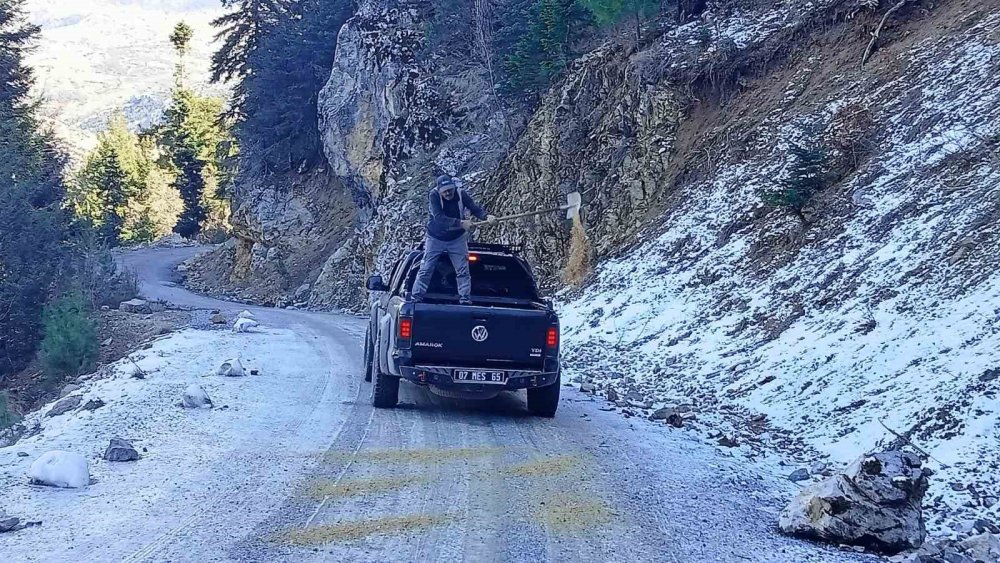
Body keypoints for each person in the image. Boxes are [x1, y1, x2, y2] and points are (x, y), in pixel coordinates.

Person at [411, 175, 496, 304]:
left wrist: (486, 217)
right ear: (439, 190)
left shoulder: (461, 194)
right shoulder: (434, 196)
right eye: (444, 191)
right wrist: (461, 223)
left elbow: (474, 208)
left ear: (454, 187)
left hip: (457, 239)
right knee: (426, 268)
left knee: (462, 270)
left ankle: (465, 298)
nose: (448, 193)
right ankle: (416, 297)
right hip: (435, 238)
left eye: (450, 190)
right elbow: (439, 218)